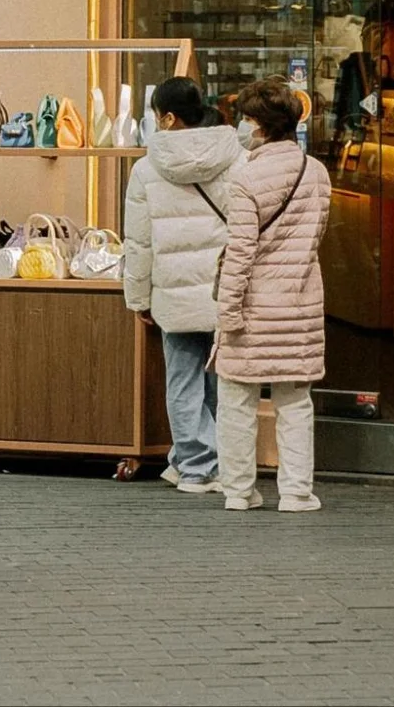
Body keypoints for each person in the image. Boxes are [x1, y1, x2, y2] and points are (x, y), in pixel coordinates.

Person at [213, 77, 329, 512]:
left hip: (253, 306)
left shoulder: (245, 177)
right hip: (300, 302)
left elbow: (240, 252)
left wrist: (228, 311)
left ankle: (239, 490)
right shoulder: (315, 172)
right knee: (296, 401)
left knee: (236, 400)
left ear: (260, 125)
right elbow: (315, 236)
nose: (242, 128)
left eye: (245, 119)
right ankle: (297, 492)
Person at [122, 75, 243, 494]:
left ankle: (196, 464)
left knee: (183, 379)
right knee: (221, 380)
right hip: (225, 288)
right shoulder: (236, 158)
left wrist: (138, 298)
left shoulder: (145, 169)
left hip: (173, 292)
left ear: (169, 117)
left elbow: (139, 243)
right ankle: (217, 460)